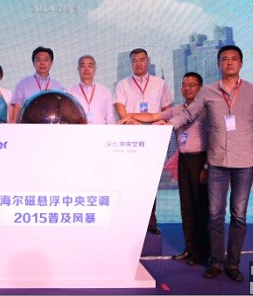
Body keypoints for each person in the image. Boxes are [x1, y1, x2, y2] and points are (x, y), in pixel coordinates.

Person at [166, 45, 253, 282]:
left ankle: (232, 264)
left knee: (239, 215)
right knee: (214, 215)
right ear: (218, 64)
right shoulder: (208, 91)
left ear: (241, 64)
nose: (229, 62)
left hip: (245, 161)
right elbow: (188, 114)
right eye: (224, 59)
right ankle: (216, 262)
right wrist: (164, 126)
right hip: (216, 162)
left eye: (234, 59)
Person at [121, 72, 209, 265]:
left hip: (200, 159)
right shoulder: (178, 109)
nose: (187, 88)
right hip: (183, 159)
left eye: (192, 85)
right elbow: (154, 116)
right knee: (186, 206)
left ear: (200, 88)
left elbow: (213, 137)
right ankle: (190, 249)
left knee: (200, 207)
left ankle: (203, 252)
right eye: (184, 84)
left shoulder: (205, 109)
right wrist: (131, 115)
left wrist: (207, 165)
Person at [114, 48, 172, 235]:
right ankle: (129, 222)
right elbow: (119, 107)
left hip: (153, 138)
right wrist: (128, 119)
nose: (138, 63)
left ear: (148, 61)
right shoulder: (123, 84)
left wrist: (160, 120)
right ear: (130, 63)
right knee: (130, 180)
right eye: (134, 60)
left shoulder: (160, 83)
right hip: (130, 138)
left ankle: (150, 222)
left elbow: (167, 108)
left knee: (150, 180)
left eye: (141, 60)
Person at [11, 46, 64, 122]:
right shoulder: (23, 84)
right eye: (38, 60)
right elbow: (17, 108)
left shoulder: (58, 86)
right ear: (33, 62)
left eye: (46, 60)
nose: (42, 63)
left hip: (52, 125)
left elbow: (61, 110)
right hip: (28, 124)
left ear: (51, 63)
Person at [66, 54, 114, 124]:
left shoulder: (105, 91)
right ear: (78, 69)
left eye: (90, 66)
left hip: (100, 130)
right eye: (83, 66)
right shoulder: (69, 92)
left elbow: (110, 117)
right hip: (78, 129)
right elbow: (67, 116)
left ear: (95, 69)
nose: (86, 69)